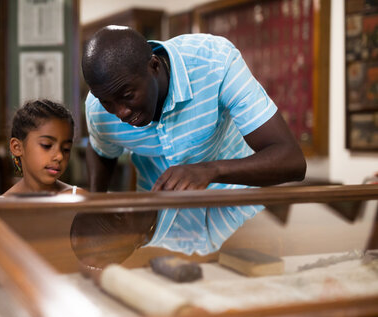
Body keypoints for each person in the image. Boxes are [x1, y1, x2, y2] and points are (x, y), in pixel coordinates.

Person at [81, 26, 306, 256]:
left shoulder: (216, 62)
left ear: (154, 66)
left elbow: (292, 160)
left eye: (128, 96)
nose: (121, 113)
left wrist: (210, 170)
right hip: (162, 235)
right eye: (107, 102)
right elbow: (101, 149)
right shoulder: (98, 109)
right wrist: (95, 204)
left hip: (239, 221)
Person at [2, 99, 86, 196]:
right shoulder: (0, 207)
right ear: (17, 147)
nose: (59, 156)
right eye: (46, 145)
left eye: (66, 149)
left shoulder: (79, 198)